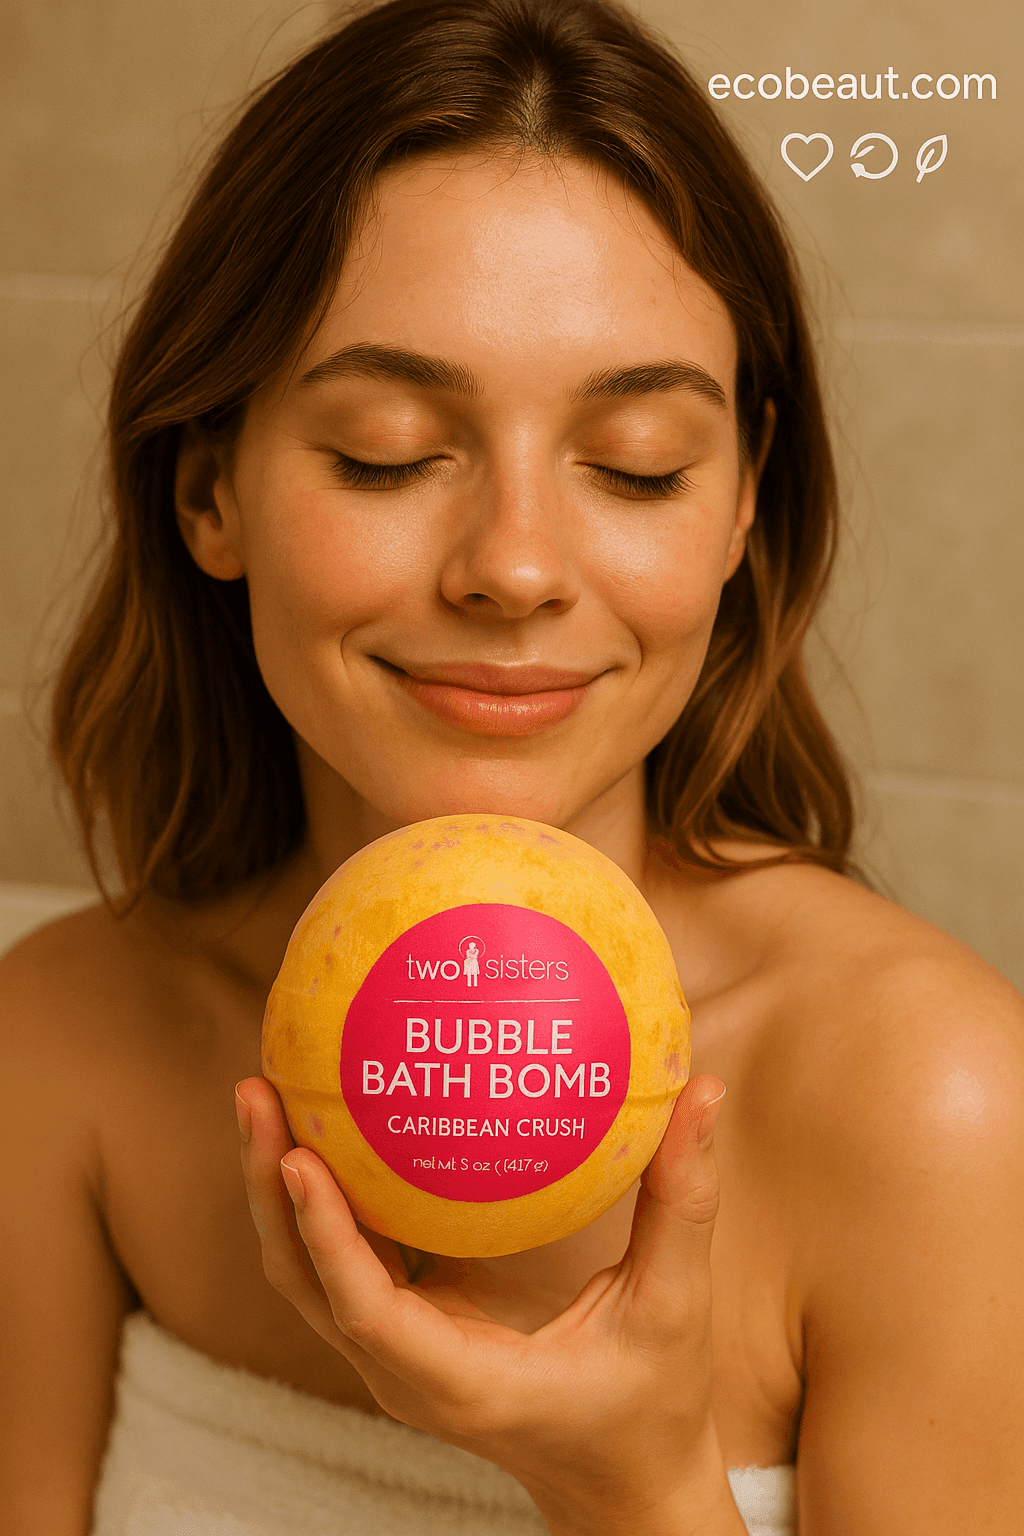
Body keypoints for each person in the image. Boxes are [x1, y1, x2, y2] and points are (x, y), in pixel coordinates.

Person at [1, 0, 1021, 1531]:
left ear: (742, 504)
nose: (517, 568)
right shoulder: (63, 1043)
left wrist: (627, 1481)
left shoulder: (933, 1107)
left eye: (636, 467)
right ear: (210, 487)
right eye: (389, 448)